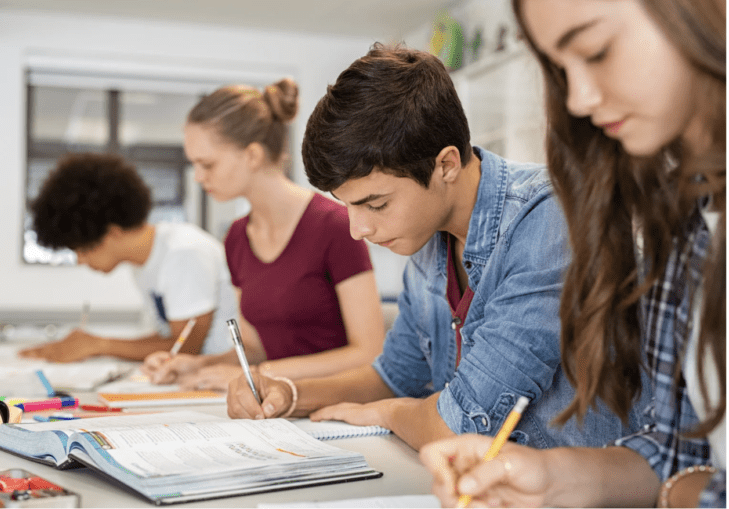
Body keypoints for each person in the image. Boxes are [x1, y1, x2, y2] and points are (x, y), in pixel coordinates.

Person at [226, 44, 649, 452]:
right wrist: (289, 392)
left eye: (375, 203)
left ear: (445, 164)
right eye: (348, 206)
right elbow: (395, 377)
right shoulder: (429, 238)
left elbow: (461, 425)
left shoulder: (548, 221)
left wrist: (391, 414)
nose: (357, 229)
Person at [419, 0, 726, 506]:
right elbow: (675, 451)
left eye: (596, 50)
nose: (579, 98)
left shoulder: (540, 217)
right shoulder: (688, 216)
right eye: (561, 68)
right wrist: (552, 477)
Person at [141, 77, 385, 390]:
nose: (199, 177)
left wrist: (259, 375)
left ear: (252, 156)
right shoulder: (237, 237)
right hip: (275, 408)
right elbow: (255, 350)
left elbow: (368, 352)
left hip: (337, 405)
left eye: (207, 164)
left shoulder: (336, 225)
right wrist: (198, 365)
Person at [19, 152, 237, 362]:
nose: (80, 261)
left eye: (83, 250)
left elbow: (186, 347)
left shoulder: (184, 252)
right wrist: (93, 345)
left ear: (112, 232)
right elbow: (168, 338)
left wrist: (98, 345)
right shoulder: (143, 263)